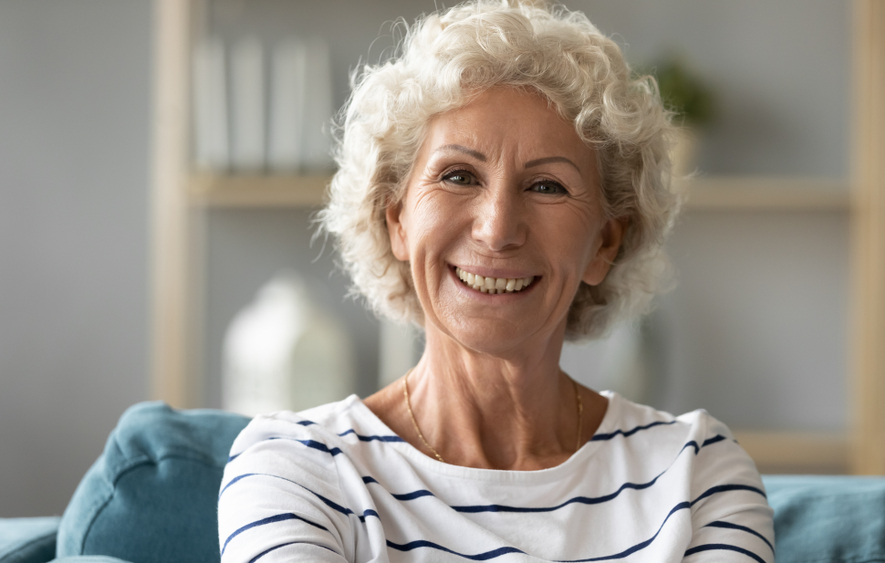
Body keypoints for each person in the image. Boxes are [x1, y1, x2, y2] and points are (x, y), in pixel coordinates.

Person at [218, 1, 774, 561]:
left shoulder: (699, 473)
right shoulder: (296, 469)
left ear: (604, 244)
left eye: (548, 186)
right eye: (458, 176)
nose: (497, 229)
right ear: (397, 220)